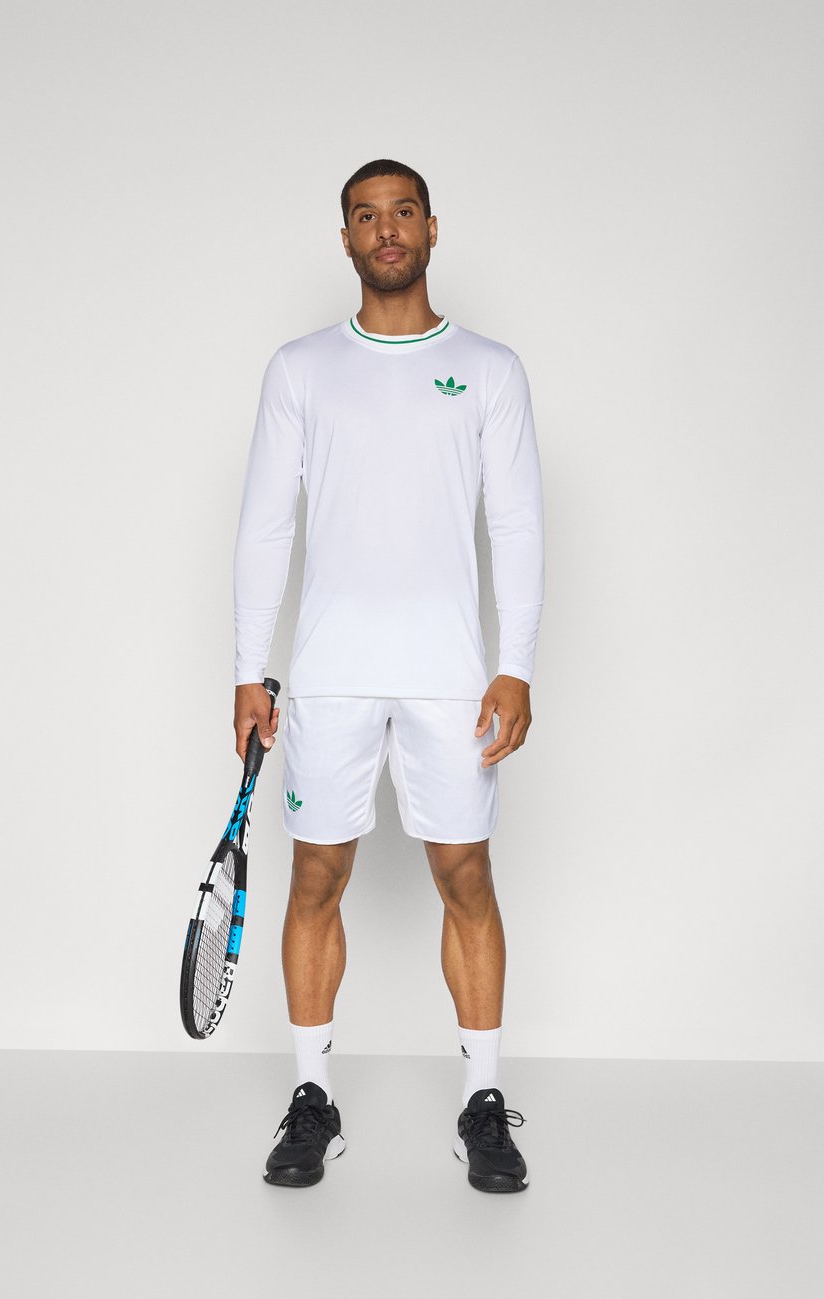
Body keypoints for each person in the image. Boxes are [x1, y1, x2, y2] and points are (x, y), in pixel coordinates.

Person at [232, 158, 544, 1193]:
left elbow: (517, 524)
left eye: (402, 211)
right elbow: (266, 525)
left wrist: (515, 666)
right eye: (366, 216)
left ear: (432, 227)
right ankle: (311, 1098)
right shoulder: (301, 368)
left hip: (452, 677)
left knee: (467, 878)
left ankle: (483, 1102)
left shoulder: (489, 369)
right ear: (347, 240)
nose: (387, 229)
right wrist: (249, 669)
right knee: (316, 879)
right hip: (329, 675)